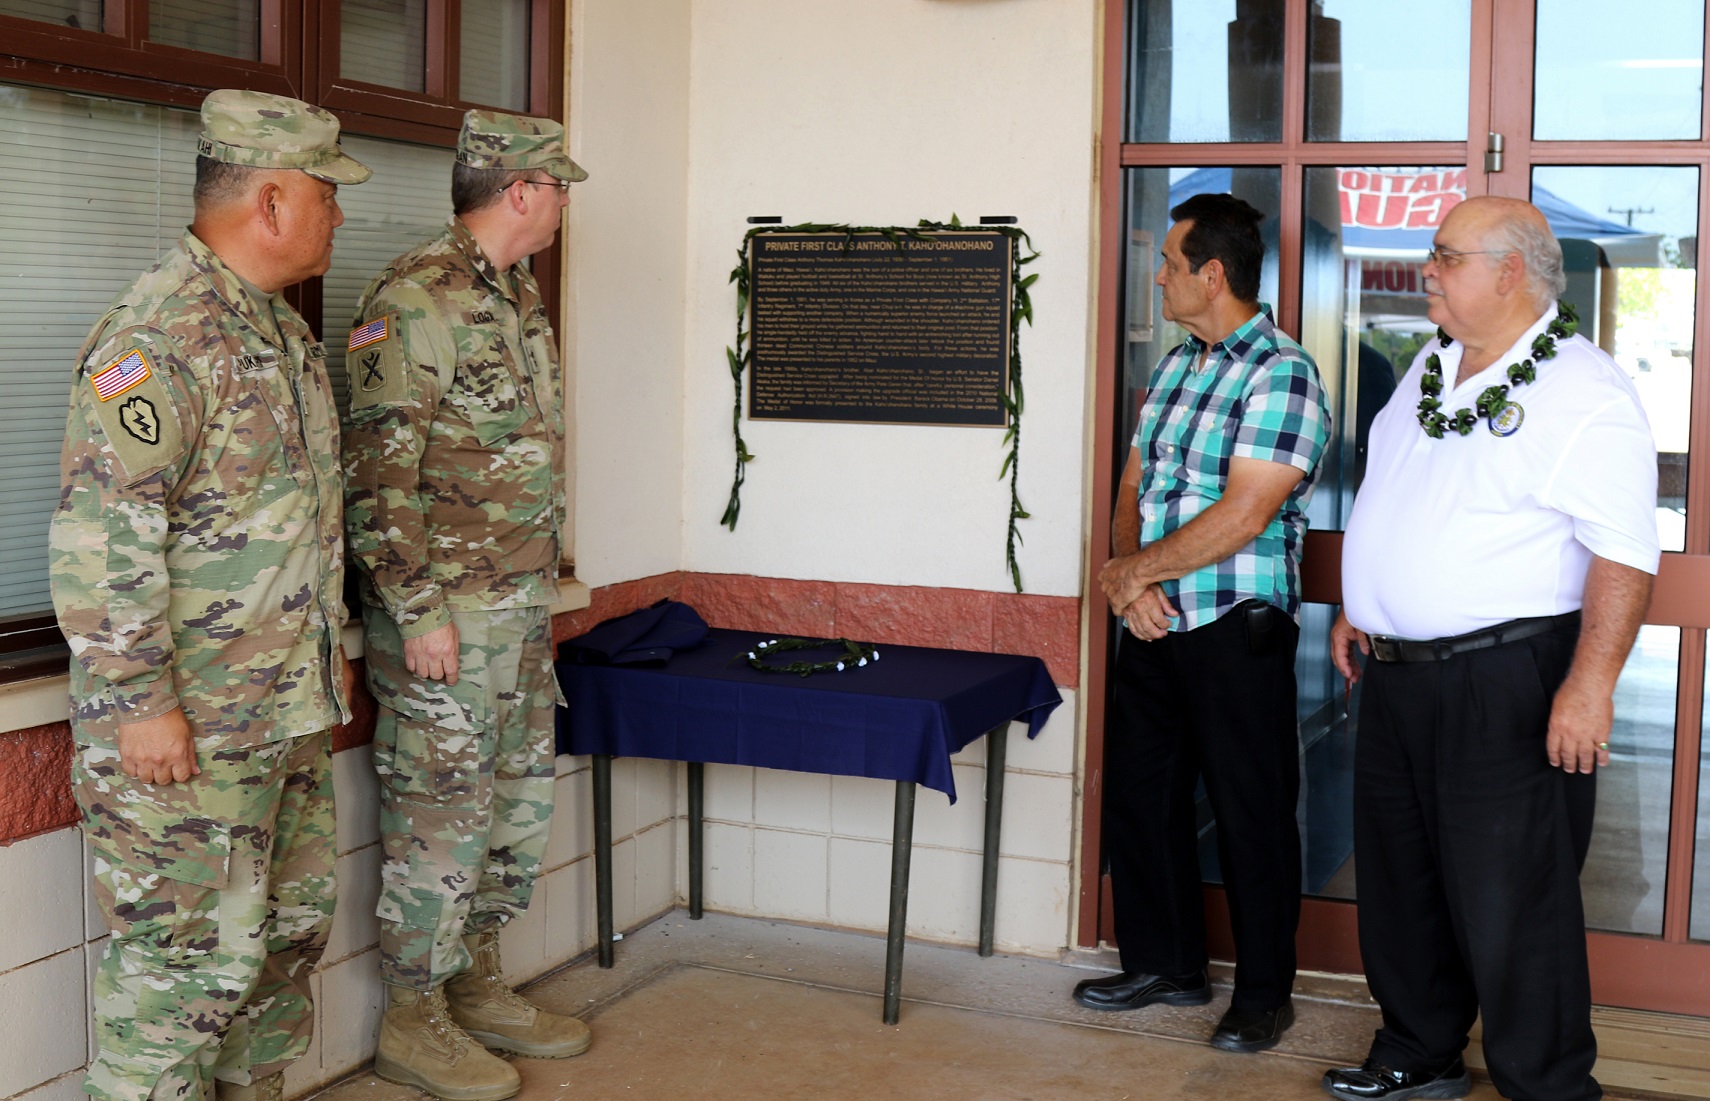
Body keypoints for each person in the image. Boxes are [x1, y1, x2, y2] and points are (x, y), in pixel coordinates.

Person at [49, 89, 368, 1101]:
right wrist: (142, 702)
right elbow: (105, 541)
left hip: (283, 712)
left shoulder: (280, 333)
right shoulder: (154, 341)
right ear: (271, 201)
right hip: (191, 732)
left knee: (279, 949)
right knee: (181, 979)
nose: (341, 214)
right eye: (326, 193)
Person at [1324, 196, 1659, 1101]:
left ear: (1512, 271)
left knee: (1515, 895)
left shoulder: (1584, 390)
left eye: (1446, 256)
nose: (1426, 270)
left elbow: (1626, 553)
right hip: (1396, 670)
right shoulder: (1429, 364)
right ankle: (1419, 1047)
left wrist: (1590, 685)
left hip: (1507, 675)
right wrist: (1363, 602)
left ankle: (1546, 1084)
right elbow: (1400, 488)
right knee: (1401, 876)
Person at [342, 109, 586, 1101]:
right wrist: (418, 609)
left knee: (514, 808)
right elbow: (377, 475)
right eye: (558, 186)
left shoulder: (516, 294)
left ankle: (474, 981)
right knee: (439, 820)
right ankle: (414, 1017)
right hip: (447, 619)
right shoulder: (413, 299)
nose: (565, 203)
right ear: (521, 191)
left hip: (518, 608)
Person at [1077, 192, 1331, 1054]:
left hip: (1233, 623)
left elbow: (1247, 512)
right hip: (1153, 621)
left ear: (1212, 274)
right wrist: (1129, 585)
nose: (1158, 276)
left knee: (1251, 811)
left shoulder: (1282, 372)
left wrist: (1135, 572)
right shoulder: (1178, 366)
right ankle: (1168, 965)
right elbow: (1133, 484)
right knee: (1142, 797)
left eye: (1169, 263)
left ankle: (1262, 996)